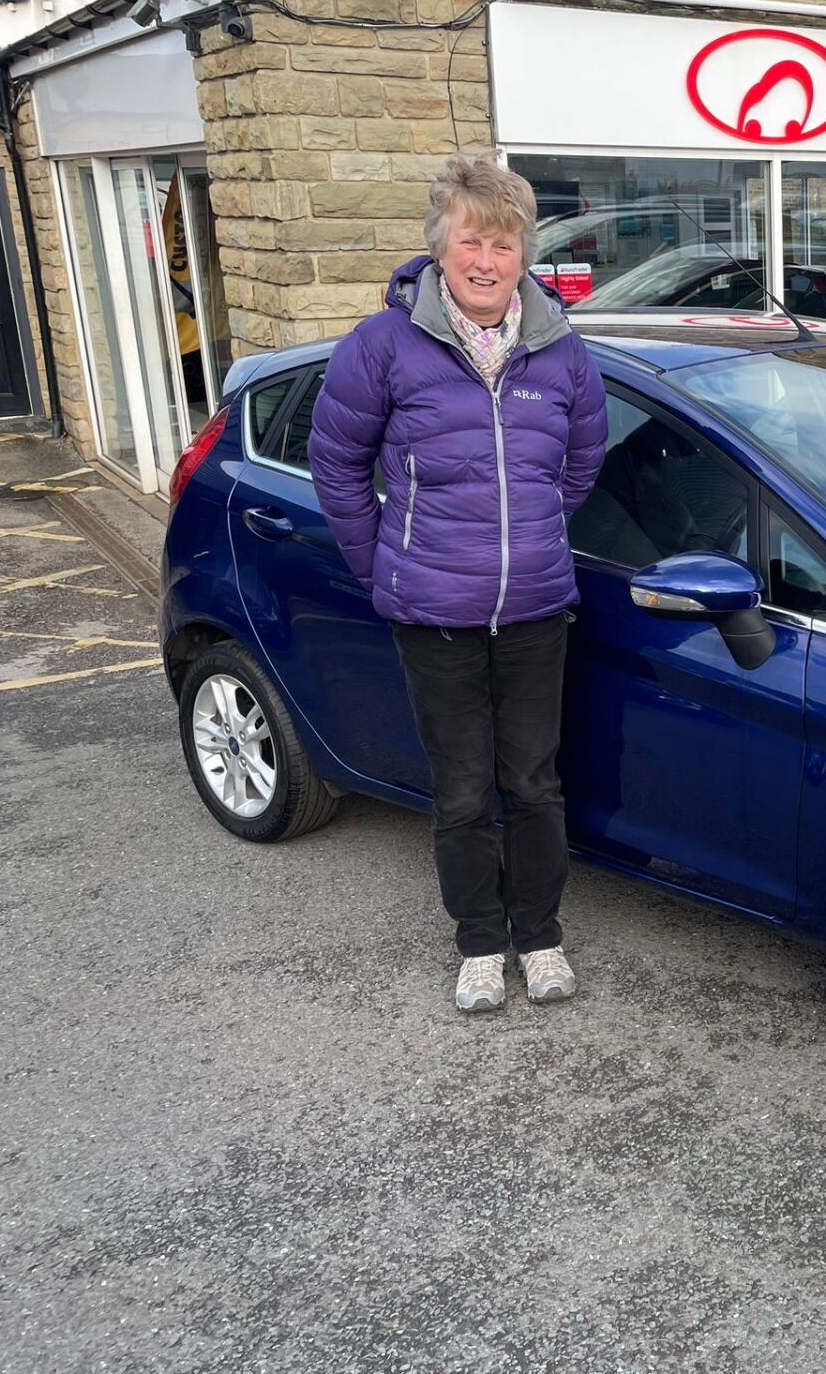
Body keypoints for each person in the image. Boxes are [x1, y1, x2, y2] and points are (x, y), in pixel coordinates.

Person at [309, 152, 606, 1014]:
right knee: (465, 788)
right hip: (432, 612)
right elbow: (336, 468)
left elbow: (579, 466)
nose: (487, 260)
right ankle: (481, 942)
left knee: (536, 783)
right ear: (441, 247)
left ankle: (541, 937)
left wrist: (533, 539)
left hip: (536, 610)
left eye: (504, 245)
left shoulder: (560, 351)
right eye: (472, 241)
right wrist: (384, 567)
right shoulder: (382, 347)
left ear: (525, 256)